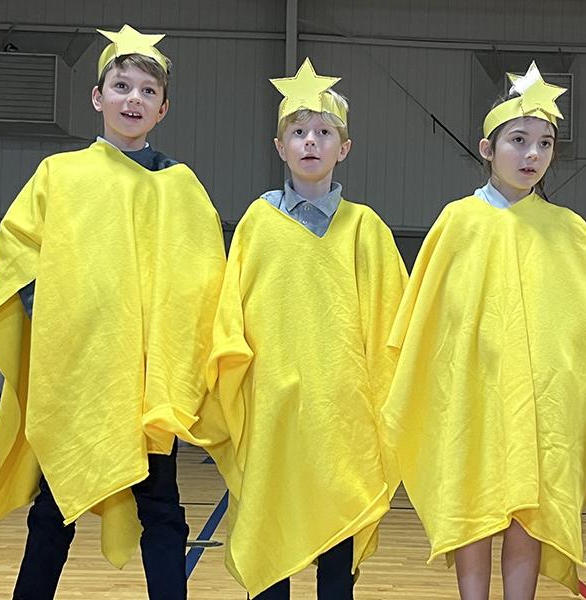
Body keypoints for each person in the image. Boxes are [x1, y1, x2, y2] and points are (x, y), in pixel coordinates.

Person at [0, 25, 226, 599]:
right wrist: (58, 316)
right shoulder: (61, 176)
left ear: (163, 108)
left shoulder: (180, 187)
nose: (132, 99)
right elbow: (20, 254)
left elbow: (204, 276)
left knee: (161, 509)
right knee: (54, 508)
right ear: (97, 96)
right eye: (120, 86)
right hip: (80, 373)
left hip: (146, 382)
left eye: (146, 92)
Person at [381, 63, 586, 600]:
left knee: (527, 510)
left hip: (540, 405)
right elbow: (429, 321)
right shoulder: (457, 221)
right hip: (473, 397)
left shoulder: (570, 231)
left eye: (545, 143)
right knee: (475, 505)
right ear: (487, 148)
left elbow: (581, 327)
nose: (532, 155)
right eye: (519, 141)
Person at [190, 58, 407, 599]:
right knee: (274, 537)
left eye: (325, 132)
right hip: (274, 413)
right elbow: (229, 317)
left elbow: (392, 328)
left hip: (343, 416)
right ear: (280, 145)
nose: (311, 142)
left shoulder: (367, 230)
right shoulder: (256, 225)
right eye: (299, 132)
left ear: (344, 148)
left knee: (337, 555)